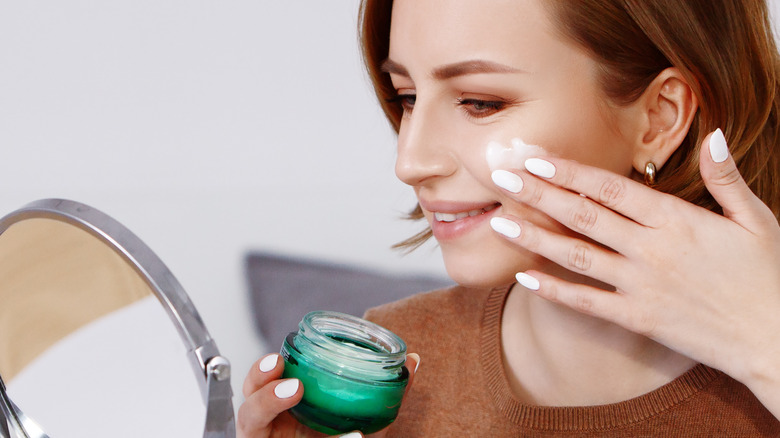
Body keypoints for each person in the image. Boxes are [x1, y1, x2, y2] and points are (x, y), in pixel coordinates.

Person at [238, 0, 780, 436]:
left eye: (479, 102)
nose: (410, 161)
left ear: (659, 118)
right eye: (406, 96)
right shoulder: (385, 381)